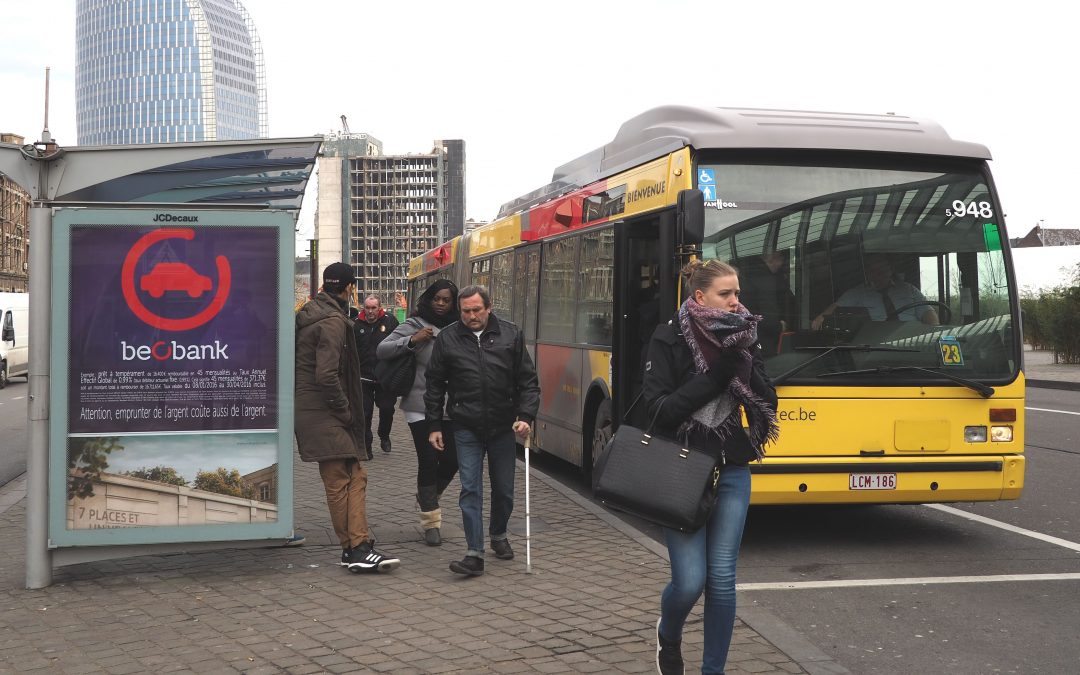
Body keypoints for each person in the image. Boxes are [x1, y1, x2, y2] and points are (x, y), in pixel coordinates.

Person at [642, 259, 779, 674]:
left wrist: (744, 366)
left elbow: (768, 402)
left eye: (738, 292)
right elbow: (660, 410)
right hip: (679, 467)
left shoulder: (744, 338)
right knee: (689, 582)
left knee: (721, 579)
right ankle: (668, 633)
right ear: (699, 297)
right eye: (726, 294)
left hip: (731, 468)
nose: (737, 302)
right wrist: (716, 377)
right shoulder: (668, 337)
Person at [425, 284, 540, 577]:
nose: (472, 316)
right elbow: (435, 383)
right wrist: (434, 425)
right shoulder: (448, 338)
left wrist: (526, 415)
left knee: (504, 491)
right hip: (466, 425)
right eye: (466, 311)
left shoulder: (510, 334)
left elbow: (527, 380)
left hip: (503, 426)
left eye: (477, 310)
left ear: (489, 308)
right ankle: (473, 553)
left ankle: (498, 534)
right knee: (470, 489)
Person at [294, 262, 400, 574]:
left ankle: (356, 546)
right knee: (342, 479)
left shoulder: (314, 313)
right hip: (325, 412)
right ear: (350, 288)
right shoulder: (332, 321)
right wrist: (344, 411)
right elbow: (327, 375)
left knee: (352, 475)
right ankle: (356, 548)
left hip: (314, 410)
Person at [377, 279, 461, 546]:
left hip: (451, 406)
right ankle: (431, 522)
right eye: (436, 298)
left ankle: (428, 496)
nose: (440, 304)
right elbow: (383, 349)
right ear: (429, 298)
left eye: (446, 300)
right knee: (428, 460)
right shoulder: (414, 325)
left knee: (452, 459)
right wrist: (412, 341)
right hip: (419, 404)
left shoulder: (460, 328)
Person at [811, 255, 939, 329]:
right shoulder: (857, 293)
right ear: (868, 273)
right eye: (874, 270)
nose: (880, 273)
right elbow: (834, 308)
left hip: (911, 341)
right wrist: (820, 319)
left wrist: (932, 334)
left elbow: (929, 315)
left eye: (883, 269)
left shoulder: (909, 289)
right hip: (874, 344)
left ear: (891, 270)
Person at [353, 294, 400, 457]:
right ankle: (367, 447)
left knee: (387, 409)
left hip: (384, 377)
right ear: (363, 308)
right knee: (364, 413)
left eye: (374, 308)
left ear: (379, 308)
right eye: (367, 307)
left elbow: (399, 346)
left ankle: (384, 435)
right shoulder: (356, 325)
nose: (370, 311)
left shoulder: (390, 321)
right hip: (363, 377)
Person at [736, 251, 797, 356]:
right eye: (782, 260)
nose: (781, 265)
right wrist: (779, 326)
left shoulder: (747, 275)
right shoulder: (765, 279)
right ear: (773, 258)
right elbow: (768, 310)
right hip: (765, 338)